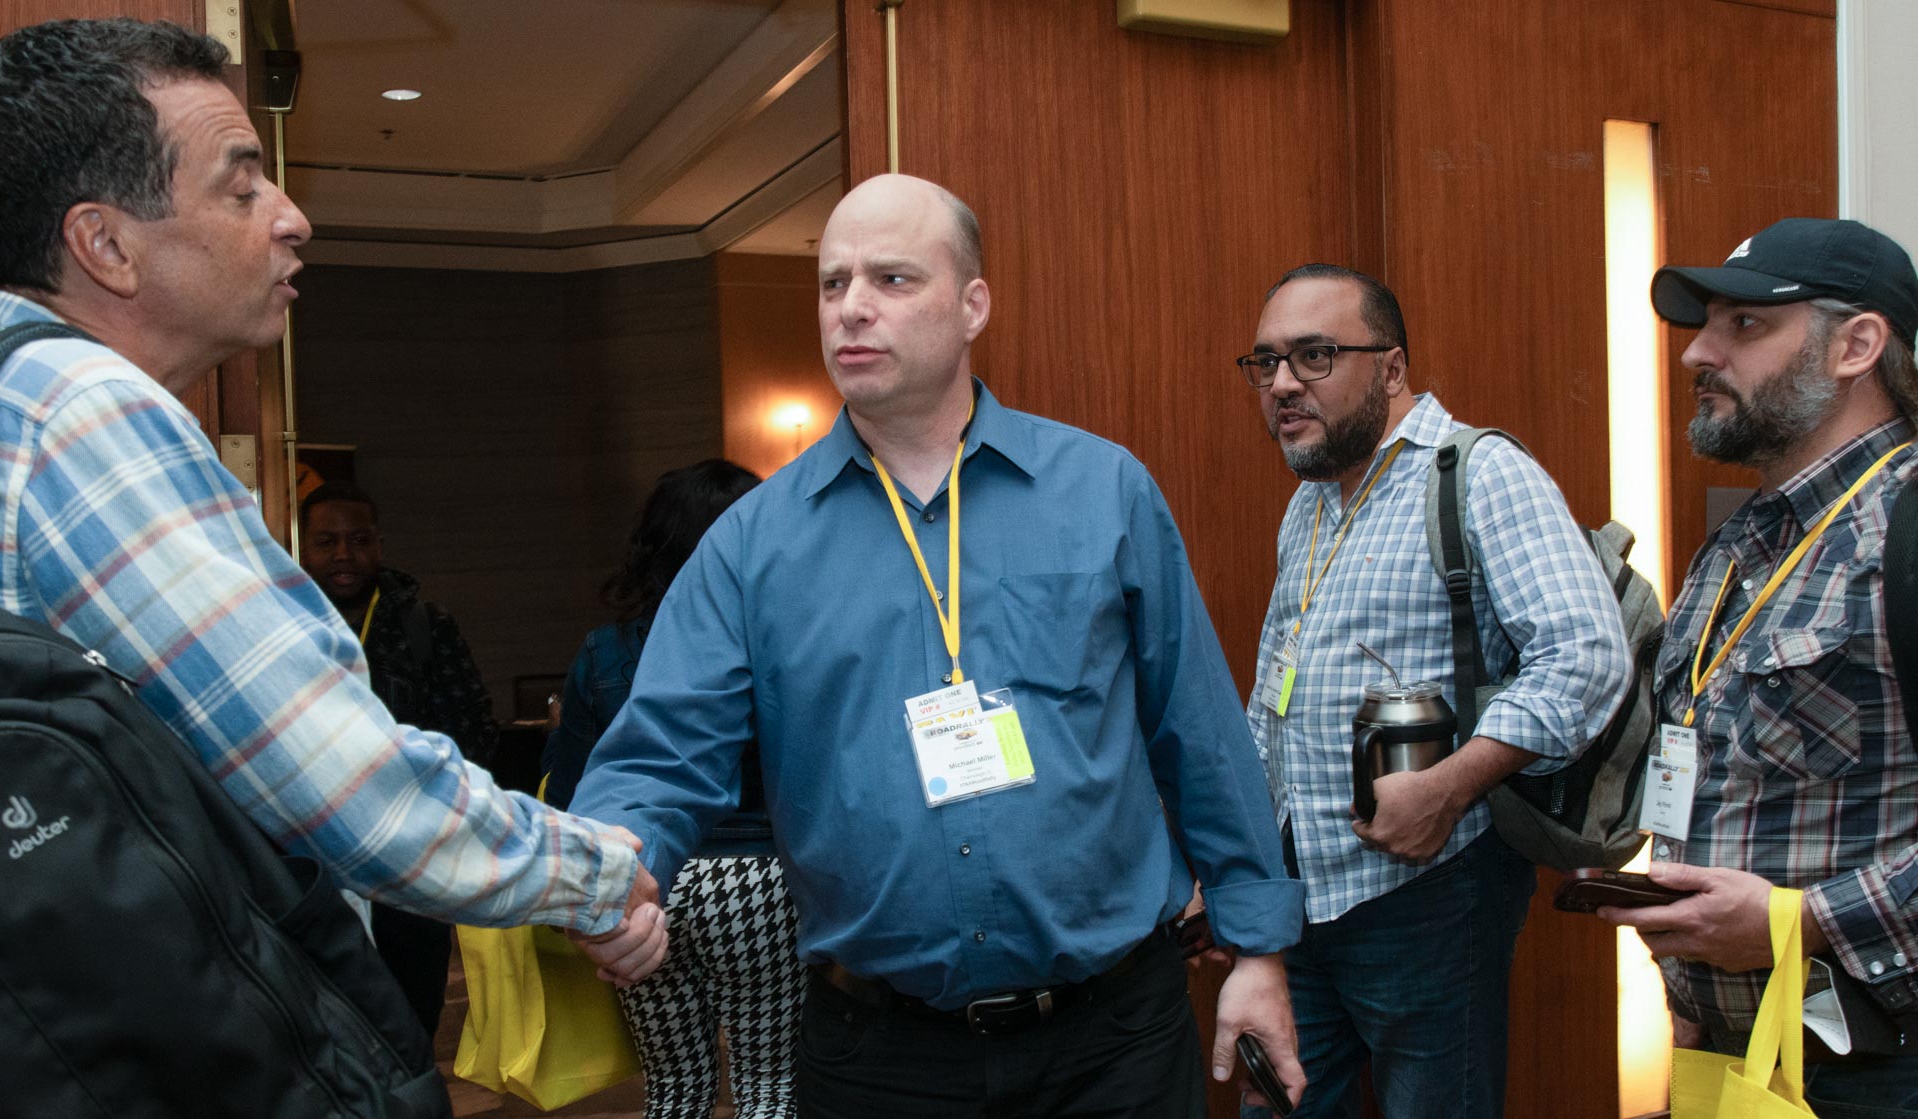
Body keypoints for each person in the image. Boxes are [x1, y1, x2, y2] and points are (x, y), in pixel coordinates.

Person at [0, 15, 661, 1003]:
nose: (290, 215)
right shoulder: (82, 416)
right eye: (241, 185)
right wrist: (595, 878)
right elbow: (343, 785)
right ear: (105, 245)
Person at [571, 173, 1305, 1119]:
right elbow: (661, 750)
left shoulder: (1101, 490)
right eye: (833, 284)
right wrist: (614, 875)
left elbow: (1197, 729)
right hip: (879, 1056)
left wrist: (1260, 950)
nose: (852, 309)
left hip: (1113, 1044)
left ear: (973, 306)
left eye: (891, 279)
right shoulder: (754, 545)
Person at [1240, 264, 1630, 1119]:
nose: (1281, 385)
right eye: (1264, 363)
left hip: (1431, 897)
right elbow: (1275, 693)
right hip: (1299, 900)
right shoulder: (1309, 503)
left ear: (1390, 367)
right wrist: (1235, 860)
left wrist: (1448, 789)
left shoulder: (1479, 473)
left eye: (1313, 356)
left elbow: (1586, 657)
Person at [1600, 217, 1918, 1117]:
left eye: (1745, 326)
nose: (1697, 350)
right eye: (1707, 323)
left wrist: (1800, 924)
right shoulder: (1743, 541)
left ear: (1857, 345)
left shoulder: (1906, 528)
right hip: (1740, 1062)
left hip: (1882, 1070)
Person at [542, 459, 805, 1119]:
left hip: (640, 881)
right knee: (769, 1084)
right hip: (759, 879)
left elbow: (567, 779)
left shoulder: (603, 652)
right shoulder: (782, 642)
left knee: (673, 1087)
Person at [297, 479, 500, 1037]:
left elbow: (472, 729)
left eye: (358, 540)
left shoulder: (424, 624)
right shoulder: (284, 624)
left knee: (413, 1010)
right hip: (308, 845)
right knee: (324, 1012)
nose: (343, 554)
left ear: (379, 545)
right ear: (301, 546)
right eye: (326, 542)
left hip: (408, 845)